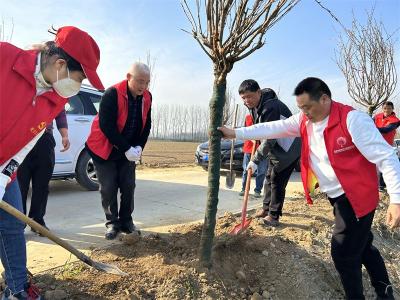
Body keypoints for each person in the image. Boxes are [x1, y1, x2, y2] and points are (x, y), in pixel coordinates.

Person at [218, 77, 400, 299]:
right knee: (363, 245)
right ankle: (385, 291)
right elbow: (273, 127)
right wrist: (236, 132)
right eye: (300, 108)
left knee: (343, 252)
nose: (304, 112)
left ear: (324, 99)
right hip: (337, 196)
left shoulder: (352, 120)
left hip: (357, 196)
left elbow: (387, 156)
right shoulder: (304, 120)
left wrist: (396, 199)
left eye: (308, 107)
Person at [0, 26, 103, 300]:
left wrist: (5, 174)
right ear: (60, 64)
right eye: (79, 79)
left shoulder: (57, 97)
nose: (77, 87)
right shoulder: (3, 58)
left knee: (11, 227)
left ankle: (16, 288)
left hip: (4, 169)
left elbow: (28, 141)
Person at [86, 62, 152, 240]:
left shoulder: (147, 97)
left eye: (147, 82)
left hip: (129, 148)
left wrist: (138, 147)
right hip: (104, 147)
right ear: (128, 77)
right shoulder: (112, 94)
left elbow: (146, 125)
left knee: (128, 185)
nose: (143, 86)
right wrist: (126, 148)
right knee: (108, 187)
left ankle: (126, 221)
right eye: (140, 81)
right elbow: (106, 126)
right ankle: (112, 223)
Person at [238, 80, 300, 226]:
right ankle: (266, 209)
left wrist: (255, 159)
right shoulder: (254, 106)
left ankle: (274, 215)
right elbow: (260, 129)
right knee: (268, 177)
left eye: (250, 96)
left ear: (259, 92)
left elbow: (270, 137)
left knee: (277, 181)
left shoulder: (271, 107)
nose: (247, 101)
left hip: (288, 148)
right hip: (276, 148)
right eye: (243, 98)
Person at [17, 110, 70, 233]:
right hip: (21, 139)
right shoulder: (21, 91)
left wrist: (65, 136)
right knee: (20, 186)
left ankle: (38, 220)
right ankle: (19, 221)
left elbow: (60, 112)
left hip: (44, 139)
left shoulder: (53, 91)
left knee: (42, 185)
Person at [374, 101, 400, 191]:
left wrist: (372, 127)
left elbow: (386, 130)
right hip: (374, 144)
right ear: (382, 109)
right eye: (385, 108)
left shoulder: (395, 120)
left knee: (384, 165)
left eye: (389, 108)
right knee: (372, 164)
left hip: (386, 146)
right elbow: (369, 122)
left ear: (392, 109)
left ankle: (381, 185)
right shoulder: (377, 117)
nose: (386, 110)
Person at [239, 114, 267, 198]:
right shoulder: (247, 117)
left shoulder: (265, 116)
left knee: (261, 171)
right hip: (249, 148)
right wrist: (252, 138)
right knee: (246, 169)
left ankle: (257, 190)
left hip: (262, 149)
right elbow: (245, 131)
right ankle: (244, 189)